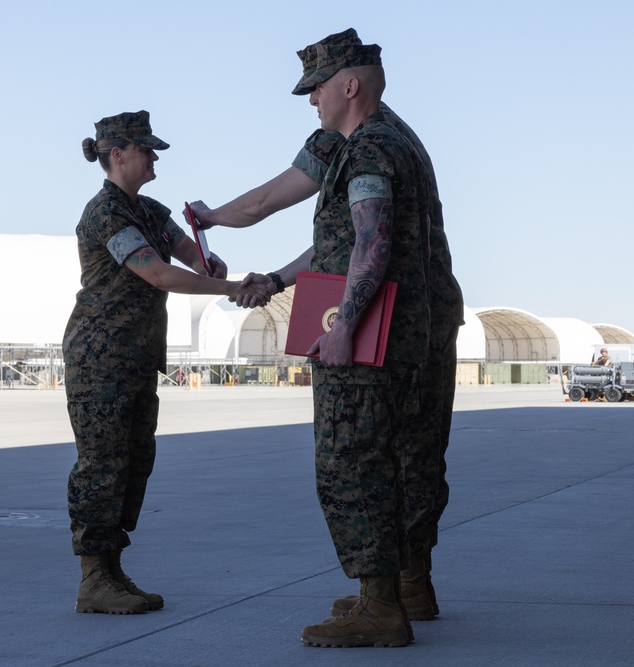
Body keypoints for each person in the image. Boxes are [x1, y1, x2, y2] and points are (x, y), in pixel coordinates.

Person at [190, 29, 464, 637]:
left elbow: (372, 240)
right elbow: (340, 238)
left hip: (378, 330)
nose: (310, 99)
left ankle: (379, 606)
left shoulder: (365, 149)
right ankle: (409, 585)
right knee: (411, 455)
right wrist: (279, 278)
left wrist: (345, 323)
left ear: (349, 84)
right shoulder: (387, 138)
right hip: (422, 323)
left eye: (316, 88)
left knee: (352, 457)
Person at [64, 110, 271, 615]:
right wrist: (230, 288)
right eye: (146, 149)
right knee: (102, 465)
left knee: (134, 462)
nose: (154, 157)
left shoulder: (150, 210)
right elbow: (156, 274)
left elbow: (184, 253)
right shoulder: (105, 213)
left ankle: (111, 571)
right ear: (118, 155)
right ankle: (93, 578)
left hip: (135, 356)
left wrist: (207, 260)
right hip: (101, 357)